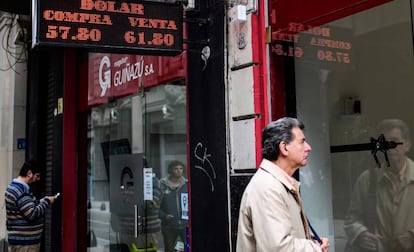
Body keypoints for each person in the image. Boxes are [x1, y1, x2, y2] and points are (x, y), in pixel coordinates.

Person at [236, 117, 330, 251]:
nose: (308, 147)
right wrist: (315, 248)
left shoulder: (276, 184)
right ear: (284, 148)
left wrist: (313, 243)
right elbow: (278, 248)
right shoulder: (267, 188)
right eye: (302, 142)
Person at [344, 119, 414, 252]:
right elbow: (351, 220)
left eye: (394, 140)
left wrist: (412, 236)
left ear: (407, 145)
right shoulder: (367, 180)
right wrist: (360, 234)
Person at [4, 160, 57, 252]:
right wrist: (47, 201)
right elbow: (32, 213)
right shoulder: (21, 191)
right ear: (29, 173)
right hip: (25, 244)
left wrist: (40, 201)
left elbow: (26, 207)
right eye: (37, 175)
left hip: (21, 242)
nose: (38, 179)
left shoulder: (14, 187)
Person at [159, 160, 188, 252]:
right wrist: (164, 216)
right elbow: (155, 206)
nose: (179, 171)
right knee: (169, 249)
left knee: (188, 248)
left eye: (181, 168)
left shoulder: (187, 184)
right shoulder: (162, 185)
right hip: (169, 225)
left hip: (185, 224)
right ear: (170, 170)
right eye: (176, 168)